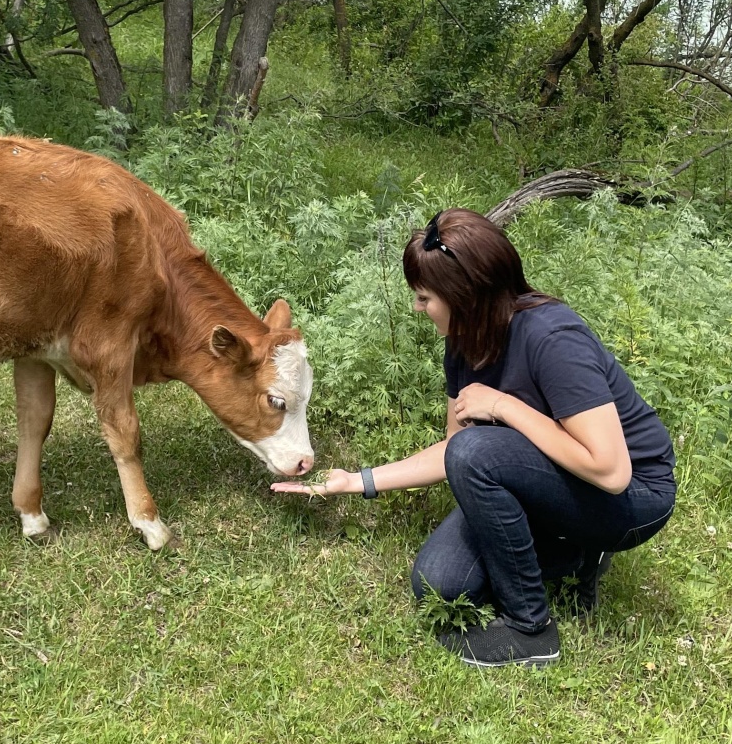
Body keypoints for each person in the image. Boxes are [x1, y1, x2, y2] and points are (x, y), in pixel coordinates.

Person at [272, 208, 676, 668]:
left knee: (477, 452)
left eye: (425, 298)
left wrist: (505, 407)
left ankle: (531, 631)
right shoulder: (465, 341)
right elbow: (454, 451)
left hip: (634, 501)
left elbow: (611, 471)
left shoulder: (553, 338)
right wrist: (357, 481)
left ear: (464, 294)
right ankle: (575, 552)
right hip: (559, 485)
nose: (417, 309)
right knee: (440, 583)